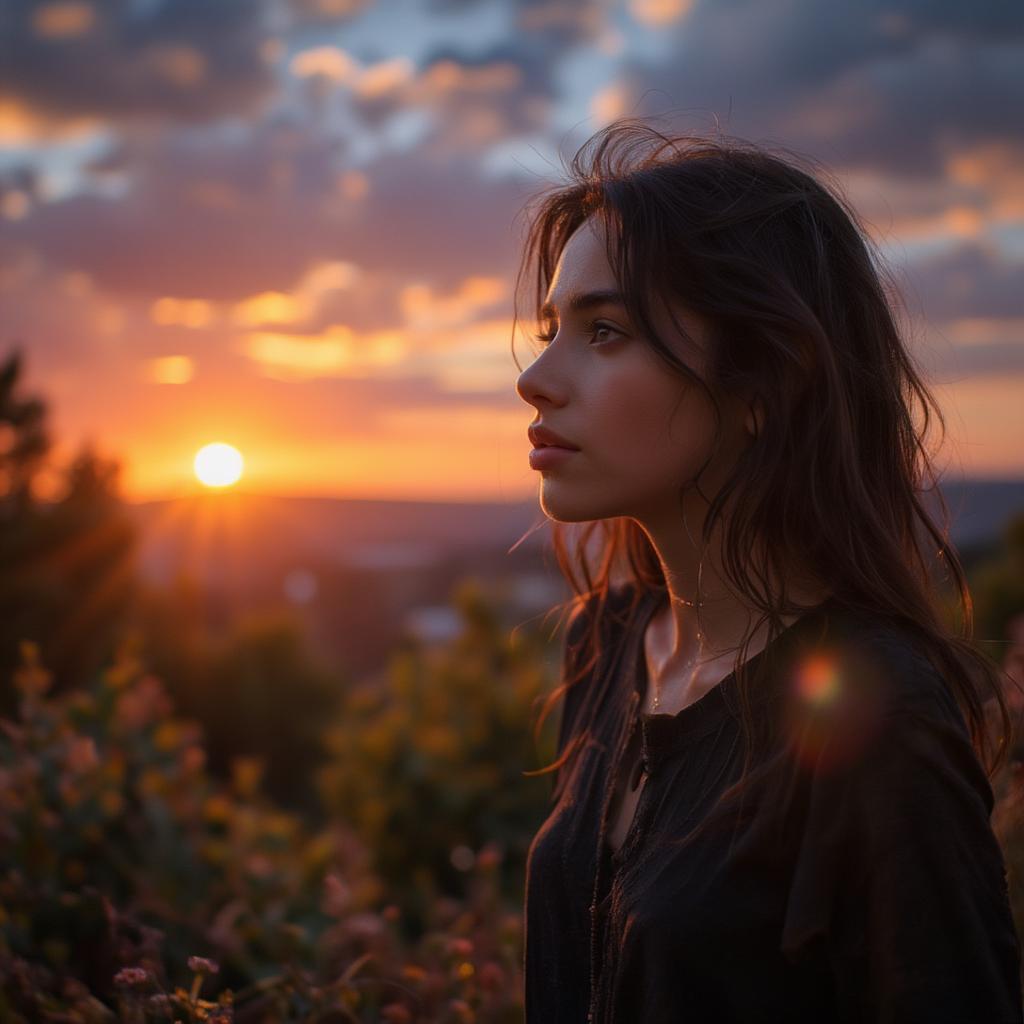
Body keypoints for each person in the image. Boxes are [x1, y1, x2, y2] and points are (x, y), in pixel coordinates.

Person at [512, 117, 1024, 1023]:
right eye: (554, 326)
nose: (535, 378)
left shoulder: (883, 724)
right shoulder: (613, 641)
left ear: (765, 385)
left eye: (604, 332)